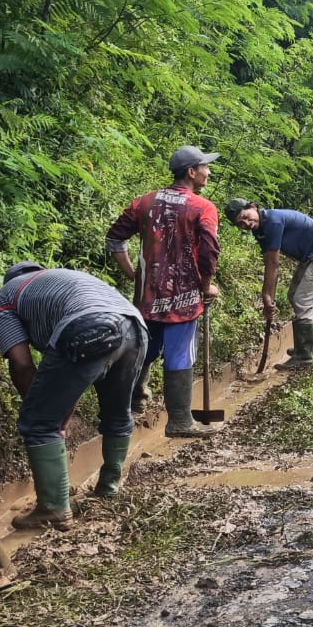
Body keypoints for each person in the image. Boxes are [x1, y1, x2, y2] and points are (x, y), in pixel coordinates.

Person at [0, 263, 146, 529]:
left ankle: (53, 509)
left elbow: (21, 364)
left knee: (37, 422)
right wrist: (58, 417)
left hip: (87, 326)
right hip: (135, 327)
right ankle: (109, 488)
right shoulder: (62, 281)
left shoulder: (3, 298)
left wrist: (46, 418)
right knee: (117, 412)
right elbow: (66, 378)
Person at [106, 145, 222, 438]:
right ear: (191, 172)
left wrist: (134, 274)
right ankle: (180, 421)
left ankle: (129, 407)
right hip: (183, 300)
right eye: (205, 167)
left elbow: (115, 238)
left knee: (144, 349)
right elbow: (209, 253)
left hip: (147, 299)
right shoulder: (202, 208)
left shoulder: (145, 202)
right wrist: (207, 285)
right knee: (180, 354)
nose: (209, 172)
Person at [226, 199, 313, 370]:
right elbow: (269, 262)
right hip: (312, 257)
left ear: (253, 207)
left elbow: (274, 264)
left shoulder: (272, 222)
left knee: (303, 301)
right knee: (294, 296)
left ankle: (304, 356)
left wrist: (267, 296)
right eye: (240, 223)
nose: (246, 223)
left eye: (246, 216)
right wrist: (268, 297)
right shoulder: (260, 230)